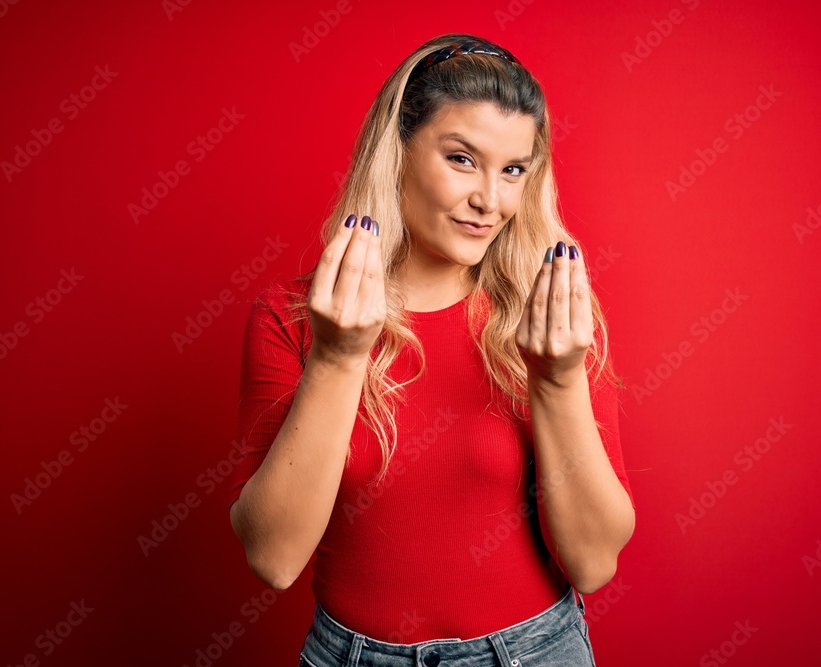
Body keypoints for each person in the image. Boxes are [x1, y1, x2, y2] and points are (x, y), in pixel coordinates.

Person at [227, 33, 636, 667]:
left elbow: (592, 562)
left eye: (513, 170)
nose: (490, 201)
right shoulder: (291, 319)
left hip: (533, 652)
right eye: (462, 159)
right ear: (398, 153)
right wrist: (338, 358)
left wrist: (557, 380)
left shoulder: (548, 316)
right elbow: (273, 558)